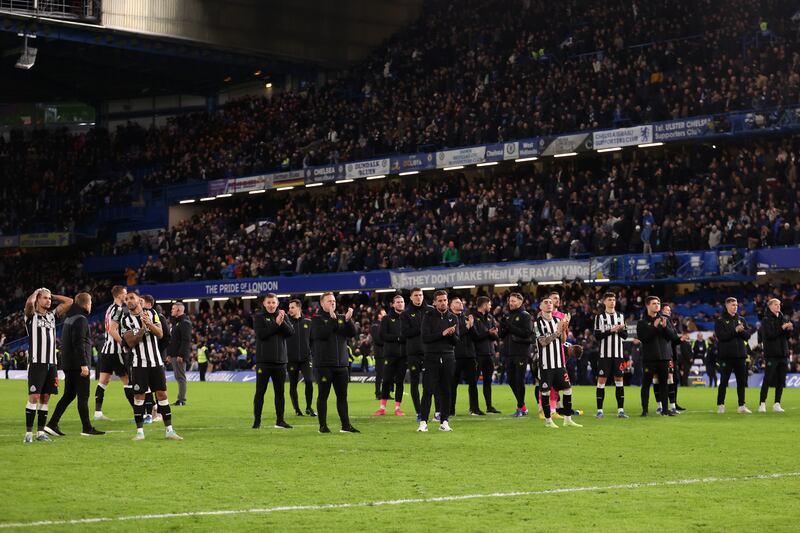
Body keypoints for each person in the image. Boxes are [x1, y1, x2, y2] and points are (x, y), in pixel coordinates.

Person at [120, 291, 182, 441]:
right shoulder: (125, 320)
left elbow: (160, 334)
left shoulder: (152, 313)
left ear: (139, 300)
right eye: (126, 299)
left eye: (131, 298)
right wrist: (142, 328)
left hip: (156, 363)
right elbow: (130, 342)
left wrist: (148, 323)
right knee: (139, 396)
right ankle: (140, 432)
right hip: (138, 364)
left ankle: (169, 430)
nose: (128, 301)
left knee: (162, 395)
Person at [45, 293, 105, 437]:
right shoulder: (81, 319)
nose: (91, 305)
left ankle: (52, 424)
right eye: (90, 302)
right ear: (85, 304)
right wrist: (83, 364)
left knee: (69, 395)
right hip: (78, 365)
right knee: (83, 396)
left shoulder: (69, 319)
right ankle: (87, 428)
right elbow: (78, 344)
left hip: (68, 364)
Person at [23, 288, 73, 443]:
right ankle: (28, 434)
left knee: (45, 398)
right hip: (37, 363)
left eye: (49, 299)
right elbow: (28, 304)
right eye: (45, 298)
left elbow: (69, 302)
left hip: (52, 363)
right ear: (38, 299)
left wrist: (53, 295)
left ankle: (40, 433)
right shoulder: (31, 316)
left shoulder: (52, 316)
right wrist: (36, 292)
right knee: (34, 396)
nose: (48, 301)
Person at [311, 292, 359, 433]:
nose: (332, 303)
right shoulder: (316, 319)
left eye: (333, 301)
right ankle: (323, 426)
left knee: (342, 396)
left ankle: (346, 426)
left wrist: (349, 320)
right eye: (329, 301)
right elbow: (322, 335)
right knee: (323, 395)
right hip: (324, 365)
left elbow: (352, 333)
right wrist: (332, 320)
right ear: (322, 303)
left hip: (342, 365)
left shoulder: (341, 318)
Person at [534, 296, 582, 428]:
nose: (549, 304)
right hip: (546, 364)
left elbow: (562, 341)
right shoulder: (537, 323)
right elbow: (542, 342)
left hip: (560, 363)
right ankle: (548, 421)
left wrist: (564, 328)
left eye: (550, 302)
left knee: (567, 389)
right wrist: (557, 331)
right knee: (546, 392)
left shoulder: (557, 320)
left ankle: (567, 419)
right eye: (546, 302)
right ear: (540, 306)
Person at [417, 290, 458, 432]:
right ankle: (423, 422)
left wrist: (451, 335)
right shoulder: (428, 316)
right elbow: (425, 338)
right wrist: (443, 333)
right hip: (431, 357)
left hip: (448, 357)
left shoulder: (453, 318)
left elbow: (456, 341)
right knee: (428, 390)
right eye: (440, 300)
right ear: (434, 302)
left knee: (447, 391)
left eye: (445, 300)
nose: (443, 303)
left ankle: (444, 421)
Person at [252, 293, 294, 429]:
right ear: (264, 303)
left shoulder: (284, 316)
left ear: (277, 303)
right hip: (263, 362)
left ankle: (280, 421)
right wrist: (276, 324)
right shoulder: (259, 317)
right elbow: (262, 335)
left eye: (273, 302)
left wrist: (281, 322)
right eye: (268, 302)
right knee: (260, 392)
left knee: (280, 393)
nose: (271, 305)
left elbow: (290, 333)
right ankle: (257, 421)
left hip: (280, 362)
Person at [94, 285, 132, 422]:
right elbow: (112, 330)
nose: (126, 296)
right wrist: (124, 343)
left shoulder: (109, 308)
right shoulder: (118, 309)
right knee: (127, 381)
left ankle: (97, 413)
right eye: (125, 293)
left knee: (103, 381)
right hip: (116, 350)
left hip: (105, 350)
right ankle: (138, 413)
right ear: (119, 295)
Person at [636, 296, 676, 417]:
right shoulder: (642, 322)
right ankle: (645, 410)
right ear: (647, 305)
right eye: (654, 303)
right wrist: (654, 327)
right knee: (646, 384)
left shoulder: (666, 320)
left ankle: (665, 410)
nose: (657, 305)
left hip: (664, 358)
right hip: (649, 358)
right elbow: (643, 338)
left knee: (664, 384)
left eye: (658, 303)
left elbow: (673, 337)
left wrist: (664, 327)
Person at [592, 292, 629, 419]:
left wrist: (619, 330)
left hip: (618, 355)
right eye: (609, 299)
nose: (612, 301)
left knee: (619, 380)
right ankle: (600, 410)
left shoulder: (621, 316)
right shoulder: (599, 317)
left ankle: (621, 410)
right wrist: (611, 330)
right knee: (601, 381)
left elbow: (625, 336)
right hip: (604, 355)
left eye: (614, 299)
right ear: (604, 302)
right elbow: (597, 336)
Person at [498, 292, 533, 417]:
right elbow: (501, 335)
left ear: (520, 302)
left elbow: (527, 333)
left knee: (519, 380)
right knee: (511, 381)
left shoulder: (525, 316)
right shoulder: (507, 316)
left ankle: (520, 407)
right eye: (510, 301)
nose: (511, 303)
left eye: (513, 301)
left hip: (521, 352)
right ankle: (522, 406)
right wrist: (502, 327)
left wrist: (510, 327)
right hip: (508, 353)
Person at [715, 297, 752, 414]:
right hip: (726, 356)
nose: (735, 307)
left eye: (736, 305)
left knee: (741, 382)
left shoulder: (742, 319)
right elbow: (722, 337)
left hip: (741, 355)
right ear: (726, 306)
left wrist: (742, 331)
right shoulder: (720, 320)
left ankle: (742, 405)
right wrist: (735, 331)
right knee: (724, 381)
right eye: (732, 305)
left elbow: (747, 336)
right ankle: (721, 404)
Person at [402, 288, 432, 421]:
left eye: (420, 295)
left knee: (429, 384)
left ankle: (432, 411)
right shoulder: (406, 314)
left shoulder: (430, 310)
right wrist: (422, 327)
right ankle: (418, 412)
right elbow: (405, 333)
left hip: (429, 353)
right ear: (411, 297)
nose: (419, 297)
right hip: (413, 353)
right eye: (416, 295)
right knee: (414, 383)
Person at [375, 295, 407, 416]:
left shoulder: (407, 318)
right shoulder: (386, 319)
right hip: (389, 355)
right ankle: (382, 408)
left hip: (403, 356)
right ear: (393, 304)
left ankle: (397, 408)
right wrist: (398, 338)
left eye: (402, 302)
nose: (400, 304)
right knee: (387, 380)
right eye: (398, 302)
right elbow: (382, 335)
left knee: (399, 381)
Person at [450, 296, 482, 416]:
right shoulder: (450, 319)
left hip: (470, 355)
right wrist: (467, 327)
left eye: (461, 302)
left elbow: (477, 337)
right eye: (457, 302)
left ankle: (474, 409)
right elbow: (455, 336)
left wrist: (472, 326)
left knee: (473, 384)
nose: (460, 304)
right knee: (453, 384)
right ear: (451, 305)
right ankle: (450, 409)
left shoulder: (467, 318)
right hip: (455, 355)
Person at [759, 298, 792, 413]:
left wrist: (789, 330)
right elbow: (769, 335)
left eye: (779, 304)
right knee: (767, 379)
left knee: (781, 380)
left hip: (783, 353)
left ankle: (777, 403)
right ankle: (762, 403)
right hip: (772, 354)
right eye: (776, 305)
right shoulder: (766, 320)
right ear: (770, 306)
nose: (778, 306)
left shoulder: (783, 318)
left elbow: (786, 337)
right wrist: (782, 328)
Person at [471, 296, 500, 413]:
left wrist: (490, 334)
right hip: (477, 354)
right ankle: (474, 408)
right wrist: (488, 332)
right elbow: (475, 336)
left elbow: (496, 335)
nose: (490, 306)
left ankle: (489, 406)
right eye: (489, 304)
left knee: (488, 381)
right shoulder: (472, 317)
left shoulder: (491, 318)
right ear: (483, 305)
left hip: (489, 354)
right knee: (474, 382)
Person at [286, 299, 315, 417]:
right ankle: (297, 409)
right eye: (289, 308)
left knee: (309, 381)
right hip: (291, 360)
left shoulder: (308, 322)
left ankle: (308, 407)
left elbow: (313, 341)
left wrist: (311, 353)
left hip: (306, 359)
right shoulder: (286, 323)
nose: (290, 310)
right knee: (293, 385)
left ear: (299, 308)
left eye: (292, 307)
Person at [661, 304, 689, 411]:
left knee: (674, 380)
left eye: (669, 310)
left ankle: (673, 403)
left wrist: (680, 339)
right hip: (667, 355)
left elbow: (673, 340)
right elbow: (670, 338)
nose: (669, 311)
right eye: (667, 310)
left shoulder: (670, 321)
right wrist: (678, 338)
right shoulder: (664, 321)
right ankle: (666, 404)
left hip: (672, 354)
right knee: (668, 380)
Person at [167, 302, 192, 406]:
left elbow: (186, 340)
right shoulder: (176, 322)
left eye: (173, 309)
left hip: (179, 356)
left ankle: (181, 400)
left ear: (179, 310)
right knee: (179, 377)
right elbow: (173, 340)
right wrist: (169, 354)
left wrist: (181, 355)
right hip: (174, 354)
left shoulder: (184, 322)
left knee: (181, 377)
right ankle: (180, 399)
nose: (171, 310)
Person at [371, 309, 385, 400]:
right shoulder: (375, 325)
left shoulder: (383, 324)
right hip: (380, 353)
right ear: (379, 315)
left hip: (386, 353)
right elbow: (377, 339)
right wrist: (388, 341)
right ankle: (377, 393)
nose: (385, 315)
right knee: (379, 374)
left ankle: (385, 393)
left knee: (386, 374)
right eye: (383, 313)